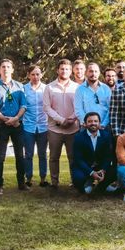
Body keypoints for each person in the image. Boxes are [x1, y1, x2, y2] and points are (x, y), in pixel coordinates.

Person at [43, 59, 80, 189]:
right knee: (53, 157)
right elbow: (47, 107)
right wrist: (61, 120)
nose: (64, 71)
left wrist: (71, 119)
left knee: (73, 157)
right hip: (55, 129)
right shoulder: (49, 87)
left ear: (71, 71)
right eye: (62, 69)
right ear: (57, 70)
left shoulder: (77, 87)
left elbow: (79, 106)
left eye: (67, 69)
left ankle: (75, 181)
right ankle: (54, 183)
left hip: (73, 128)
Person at [0, 59, 28, 194]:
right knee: (0, 157)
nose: (6, 69)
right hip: (1, 125)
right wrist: (4, 119)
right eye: (3, 67)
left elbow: (24, 105)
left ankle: (21, 183)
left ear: (12, 70)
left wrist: (15, 118)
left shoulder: (20, 86)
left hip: (17, 125)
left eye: (8, 67)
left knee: (20, 156)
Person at [72, 112, 114, 194]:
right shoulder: (78, 137)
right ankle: (89, 182)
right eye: (90, 121)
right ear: (85, 124)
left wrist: (103, 170)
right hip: (85, 167)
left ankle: (102, 186)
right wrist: (91, 173)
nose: (93, 123)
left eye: (95, 121)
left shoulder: (106, 136)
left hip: (100, 166)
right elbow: (78, 158)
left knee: (115, 171)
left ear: (99, 123)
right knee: (78, 179)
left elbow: (108, 156)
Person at [22, 65, 48, 188]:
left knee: (43, 154)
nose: (35, 76)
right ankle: (28, 178)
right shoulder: (24, 89)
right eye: (33, 74)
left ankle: (43, 179)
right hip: (28, 126)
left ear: (41, 75)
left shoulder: (46, 89)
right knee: (28, 154)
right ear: (28, 75)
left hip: (43, 126)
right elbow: (21, 106)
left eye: (38, 74)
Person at [74, 62, 112, 128]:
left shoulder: (106, 88)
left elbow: (110, 108)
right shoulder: (80, 89)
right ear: (86, 73)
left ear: (99, 73)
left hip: (104, 127)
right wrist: (86, 123)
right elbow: (78, 109)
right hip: (86, 127)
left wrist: (103, 124)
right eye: (91, 71)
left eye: (96, 71)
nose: (93, 74)